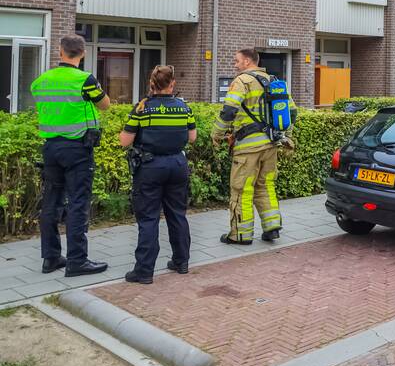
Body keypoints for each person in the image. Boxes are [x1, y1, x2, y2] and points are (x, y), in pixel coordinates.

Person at [31, 34, 110, 276]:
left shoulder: (41, 81)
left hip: (51, 148)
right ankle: (77, 261)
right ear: (83, 53)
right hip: (77, 149)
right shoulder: (84, 79)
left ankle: (51, 258)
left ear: (60, 52)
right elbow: (105, 104)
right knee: (78, 203)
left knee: (51, 202)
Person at [119, 66, 195, 284]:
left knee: (149, 218)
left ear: (152, 85)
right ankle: (181, 262)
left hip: (150, 167)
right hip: (177, 165)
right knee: (177, 214)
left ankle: (144, 271)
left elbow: (124, 141)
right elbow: (192, 137)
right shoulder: (184, 108)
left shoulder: (142, 109)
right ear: (172, 84)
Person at [212, 48, 292, 244]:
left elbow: (229, 111)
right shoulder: (274, 81)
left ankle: (240, 234)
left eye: (237, 60)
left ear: (247, 61)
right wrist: (286, 137)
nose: (235, 64)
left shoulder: (241, 81)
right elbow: (292, 112)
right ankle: (272, 227)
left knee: (241, 189)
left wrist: (217, 133)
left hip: (248, 148)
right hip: (271, 144)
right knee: (265, 186)